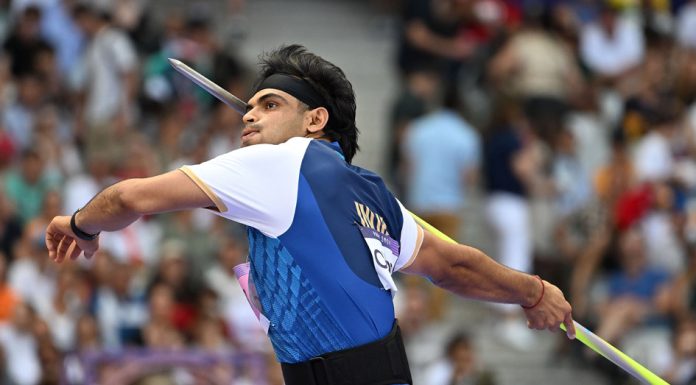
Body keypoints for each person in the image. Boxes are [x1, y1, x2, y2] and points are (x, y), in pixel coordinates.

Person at [45, 44, 575, 385]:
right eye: (250, 106)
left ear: (314, 120)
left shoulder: (276, 163)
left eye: (270, 104)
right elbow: (454, 266)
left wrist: (78, 225)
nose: (250, 114)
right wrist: (532, 291)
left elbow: (126, 199)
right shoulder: (372, 194)